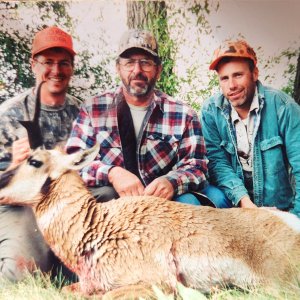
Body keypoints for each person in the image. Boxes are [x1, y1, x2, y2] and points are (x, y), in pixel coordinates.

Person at [66, 29, 229, 207]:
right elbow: (75, 160)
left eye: (145, 63)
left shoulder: (184, 114)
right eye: (129, 63)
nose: (137, 70)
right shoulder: (93, 109)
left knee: (191, 202)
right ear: (118, 68)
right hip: (114, 202)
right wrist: (112, 173)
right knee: (102, 195)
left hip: (163, 201)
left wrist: (172, 182)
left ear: (158, 70)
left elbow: (198, 167)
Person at [0, 26, 80, 281]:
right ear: (33, 64)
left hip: (69, 202)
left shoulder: (83, 113)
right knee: (20, 277)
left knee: (109, 195)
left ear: (72, 67)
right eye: (48, 62)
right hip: (24, 204)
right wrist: (13, 165)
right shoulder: (9, 114)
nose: (56, 71)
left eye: (63, 63)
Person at [201, 40, 300, 216]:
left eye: (238, 75)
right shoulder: (211, 111)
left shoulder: (283, 107)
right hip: (235, 203)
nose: (231, 85)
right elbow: (217, 163)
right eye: (224, 78)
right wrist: (245, 204)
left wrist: (295, 218)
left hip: (277, 207)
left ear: (254, 74)